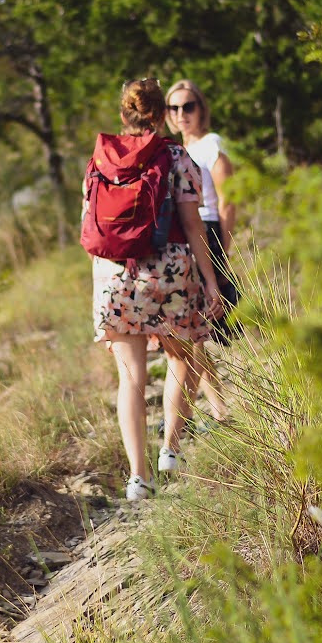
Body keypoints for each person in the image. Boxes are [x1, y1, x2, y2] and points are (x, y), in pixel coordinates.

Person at [85, 77, 225, 501]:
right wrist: (211, 278)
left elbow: (90, 231)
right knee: (182, 357)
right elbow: (193, 225)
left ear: (124, 115)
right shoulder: (176, 156)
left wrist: (100, 299)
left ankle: (137, 478)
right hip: (167, 276)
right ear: (162, 115)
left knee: (130, 378)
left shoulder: (99, 161)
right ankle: (171, 449)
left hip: (113, 278)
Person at [165, 79, 238, 413]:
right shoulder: (173, 149)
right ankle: (217, 408)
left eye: (188, 106)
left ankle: (223, 407)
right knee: (192, 331)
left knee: (206, 327)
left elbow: (228, 201)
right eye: (174, 108)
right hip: (182, 239)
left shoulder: (211, 145)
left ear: (201, 108)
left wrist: (223, 245)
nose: (182, 114)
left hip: (206, 233)